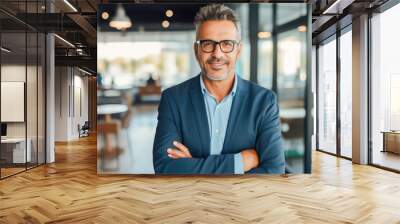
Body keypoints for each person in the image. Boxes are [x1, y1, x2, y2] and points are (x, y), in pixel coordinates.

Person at [153, 4, 284, 174]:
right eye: (208, 44)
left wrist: (192, 165)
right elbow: (165, 167)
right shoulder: (173, 99)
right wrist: (241, 162)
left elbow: (274, 171)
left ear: (238, 50)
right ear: (196, 50)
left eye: (227, 44)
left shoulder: (264, 101)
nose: (217, 54)